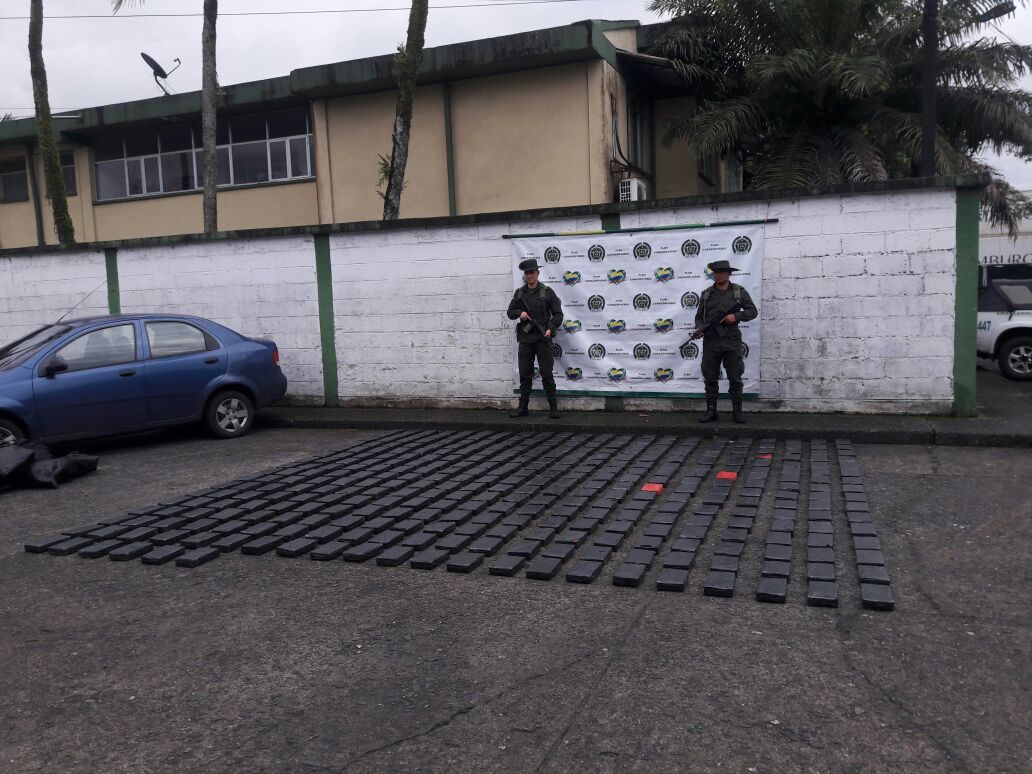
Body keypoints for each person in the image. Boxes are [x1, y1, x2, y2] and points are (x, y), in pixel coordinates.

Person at [692, 259, 758, 424]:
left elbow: (752, 311)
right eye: (716, 272)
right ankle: (711, 411)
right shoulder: (706, 294)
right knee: (710, 377)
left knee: (735, 377)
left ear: (729, 274)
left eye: (722, 271)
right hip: (711, 341)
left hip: (731, 340)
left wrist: (735, 316)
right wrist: (700, 329)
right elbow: (700, 317)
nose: (719, 274)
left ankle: (737, 412)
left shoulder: (738, 292)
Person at [506, 258, 564, 419]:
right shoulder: (519, 293)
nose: (530, 275)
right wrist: (520, 313)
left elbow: (558, 314)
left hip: (543, 339)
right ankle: (523, 408)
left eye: (532, 272)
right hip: (525, 339)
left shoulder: (547, 292)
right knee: (525, 374)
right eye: (527, 273)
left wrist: (550, 329)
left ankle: (553, 408)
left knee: (546, 373)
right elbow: (510, 312)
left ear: (537, 273)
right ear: (524, 275)